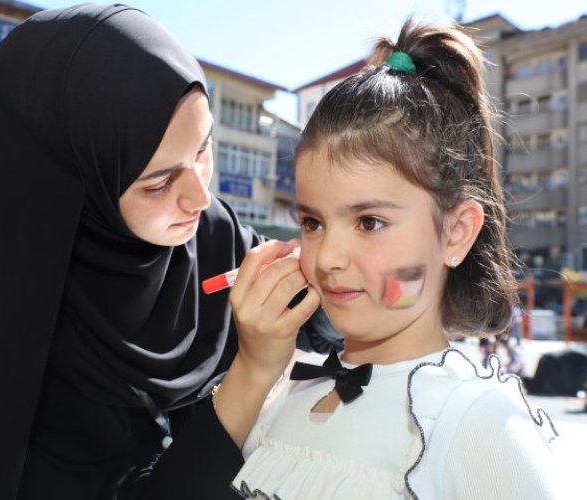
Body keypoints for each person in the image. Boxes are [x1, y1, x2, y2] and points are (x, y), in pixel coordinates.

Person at [0, 4, 323, 500]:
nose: (199, 198)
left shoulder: (209, 236)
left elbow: (329, 308)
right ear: (77, 192)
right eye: (159, 182)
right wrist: (254, 370)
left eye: (203, 149)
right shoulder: (23, 363)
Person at [220, 19, 567, 499]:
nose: (328, 257)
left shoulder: (474, 421)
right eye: (313, 223)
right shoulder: (285, 392)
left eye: (369, 222)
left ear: (457, 232)